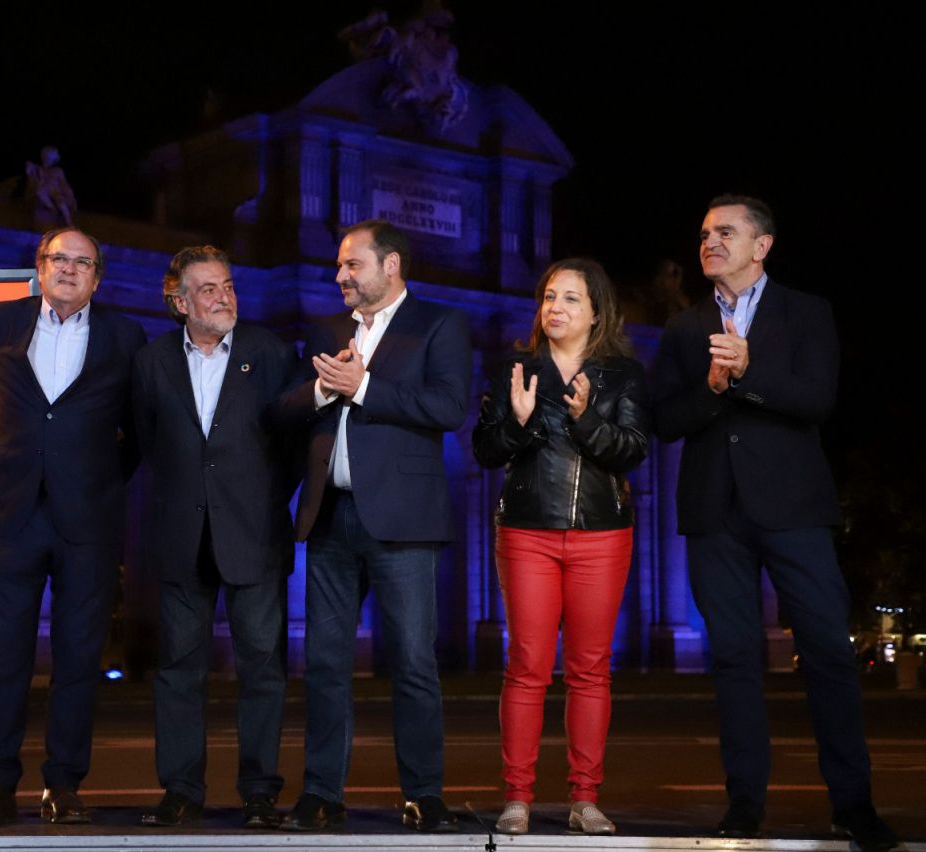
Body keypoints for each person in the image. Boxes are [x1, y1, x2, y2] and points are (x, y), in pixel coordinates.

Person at [653, 196, 899, 851]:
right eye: (704, 233)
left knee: (827, 654)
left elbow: (817, 400)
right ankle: (744, 805)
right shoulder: (684, 327)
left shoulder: (806, 312)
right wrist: (711, 388)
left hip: (794, 510)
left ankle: (854, 805)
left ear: (762, 246)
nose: (710, 242)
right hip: (714, 513)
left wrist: (747, 373)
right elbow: (663, 420)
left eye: (725, 232)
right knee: (734, 660)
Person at [0, 225, 146, 827]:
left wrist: (108, 477)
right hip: (14, 512)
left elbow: (141, 423)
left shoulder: (125, 335)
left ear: (97, 278)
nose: (69, 269)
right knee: (5, 653)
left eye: (83, 262)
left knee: (79, 656)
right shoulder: (3, 318)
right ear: (40, 267)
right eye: (60, 258)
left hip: (89, 519)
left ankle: (63, 784)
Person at [277, 219, 471, 833]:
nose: (340, 276)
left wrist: (362, 387)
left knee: (412, 662)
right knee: (325, 663)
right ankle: (320, 792)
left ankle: (424, 794)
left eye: (351, 264)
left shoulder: (438, 324)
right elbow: (284, 407)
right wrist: (321, 390)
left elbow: (448, 407)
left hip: (403, 521)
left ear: (391, 265)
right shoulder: (327, 332)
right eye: (339, 266)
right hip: (330, 516)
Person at [472, 258, 649, 835]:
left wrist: (586, 420)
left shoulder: (622, 374)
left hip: (602, 534)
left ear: (596, 312)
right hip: (527, 532)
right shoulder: (515, 370)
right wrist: (520, 422)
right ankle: (517, 798)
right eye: (550, 296)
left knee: (590, 669)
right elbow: (486, 450)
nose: (556, 308)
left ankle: (585, 798)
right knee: (527, 666)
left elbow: (632, 448)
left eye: (571, 298)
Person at [131, 246, 297, 828]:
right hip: (181, 537)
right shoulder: (151, 362)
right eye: (208, 289)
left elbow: (293, 445)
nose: (224, 297)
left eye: (228, 286)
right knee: (178, 670)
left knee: (263, 671)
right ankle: (181, 790)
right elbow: (148, 444)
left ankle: (259, 793)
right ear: (179, 302)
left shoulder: (270, 353)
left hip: (254, 536)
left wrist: (259, 499)